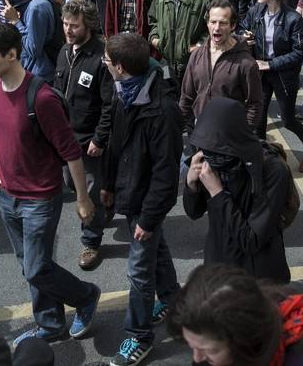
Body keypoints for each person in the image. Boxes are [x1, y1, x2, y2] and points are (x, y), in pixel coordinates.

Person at [0, 23, 101, 345]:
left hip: (39, 200)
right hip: (7, 195)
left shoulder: (42, 98)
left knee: (36, 269)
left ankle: (86, 296)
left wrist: (83, 199)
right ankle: (50, 325)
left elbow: (71, 152)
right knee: (31, 266)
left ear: (12, 54)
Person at [100, 33, 183, 366]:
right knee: (156, 251)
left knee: (138, 271)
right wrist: (107, 183)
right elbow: (115, 144)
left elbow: (166, 174)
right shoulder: (124, 92)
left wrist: (148, 219)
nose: (105, 64)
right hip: (131, 193)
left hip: (146, 202)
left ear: (120, 67)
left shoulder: (162, 111)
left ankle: (139, 336)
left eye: (107, 61)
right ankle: (173, 300)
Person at [183, 98, 291, 282]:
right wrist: (191, 185)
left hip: (256, 278)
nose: (208, 154)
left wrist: (217, 192)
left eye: (214, 148)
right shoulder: (213, 160)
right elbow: (193, 212)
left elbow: (251, 240)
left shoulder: (271, 170)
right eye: (204, 148)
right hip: (218, 266)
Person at [168, 264, 303, 366]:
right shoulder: (205, 355)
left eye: (210, 351)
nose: (197, 358)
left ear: (245, 341)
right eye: (192, 346)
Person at [53, 0, 114, 271]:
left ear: (87, 25)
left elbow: (109, 104)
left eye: (74, 25)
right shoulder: (64, 52)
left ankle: (91, 242)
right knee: (70, 182)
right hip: (66, 138)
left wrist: (99, 139)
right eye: (65, 24)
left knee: (86, 191)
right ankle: (105, 205)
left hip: (89, 140)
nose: (68, 29)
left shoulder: (101, 57)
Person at [241, 0, 303, 172]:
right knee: (258, 116)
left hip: (283, 76)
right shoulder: (257, 11)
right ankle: (261, 154)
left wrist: (271, 64)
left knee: (288, 120)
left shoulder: (293, 19)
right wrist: (244, 37)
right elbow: (242, 27)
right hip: (261, 74)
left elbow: (299, 53)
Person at [179, 0, 262, 131]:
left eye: (223, 23)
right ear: (207, 24)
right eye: (213, 22)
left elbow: (255, 105)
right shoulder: (197, 55)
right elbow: (186, 97)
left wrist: (243, 135)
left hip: (230, 137)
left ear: (233, 25)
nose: (217, 27)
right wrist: (178, 130)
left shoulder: (246, 63)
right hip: (200, 130)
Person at [148, 0, 216, 84]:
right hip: (167, 65)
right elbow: (153, 20)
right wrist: (156, 40)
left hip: (194, 65)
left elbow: (216, 27)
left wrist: (198, 47)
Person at [1, 0, 58, 82]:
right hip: (27, 72)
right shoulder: (26, 1)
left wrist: (15, 21)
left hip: (39, 76)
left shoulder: (36, 7)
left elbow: (33, 49)